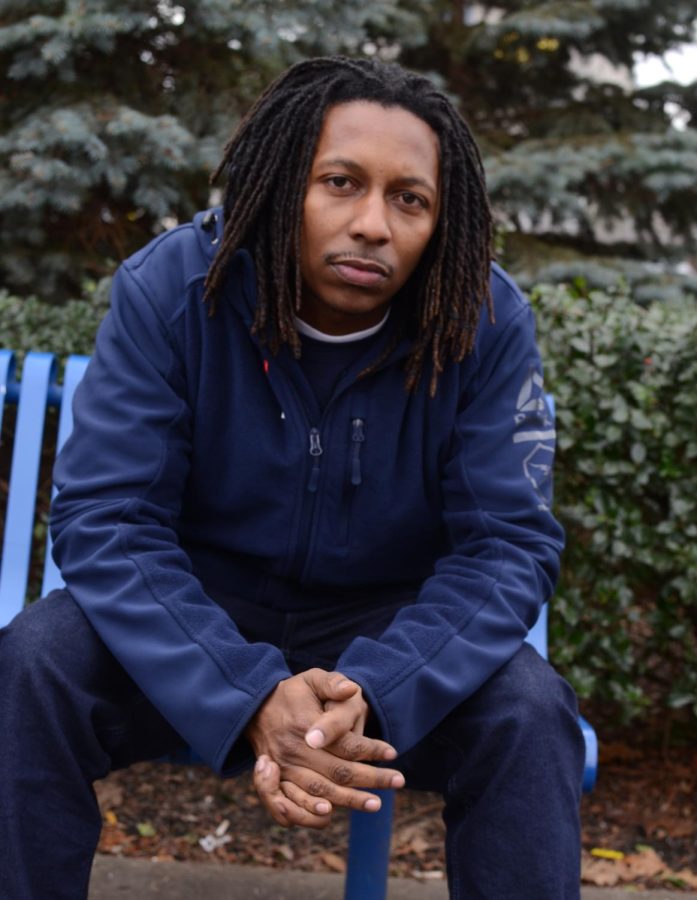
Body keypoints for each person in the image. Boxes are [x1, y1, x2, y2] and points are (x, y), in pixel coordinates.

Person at [0, 56, 585, 899]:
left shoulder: (481, 322)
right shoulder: (173, 289)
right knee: (34, 666)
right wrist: (245, 687)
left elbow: (506, 545)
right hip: (197, 612)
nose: (373, 224)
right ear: (279, 185)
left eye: (408, 199)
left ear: (439, 220)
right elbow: (107, 518)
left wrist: (376, 690)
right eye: (340, 182)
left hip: (385, 635)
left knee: (528, 712)